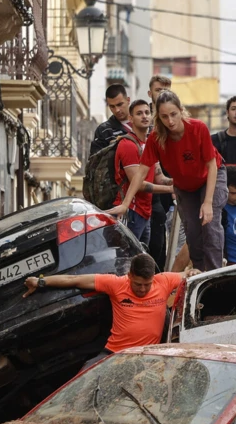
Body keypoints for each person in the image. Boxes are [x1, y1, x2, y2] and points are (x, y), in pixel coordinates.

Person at [23, 253, 199, 362]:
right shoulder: (116, 284)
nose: (142, 289)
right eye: (138, 284)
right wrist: (40, 282)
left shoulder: (163, 281)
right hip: (114, 354)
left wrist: (193, 272)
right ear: (129, 275)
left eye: (147, 284)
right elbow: (74, 280)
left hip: (147, 356)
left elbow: (189, 274)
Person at [131, 90, 228, 271]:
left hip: (210, 176)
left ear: (181, 110)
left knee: (209, 224)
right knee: (192, 232)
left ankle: (215, 272)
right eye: (164, 116)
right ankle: (200, 272)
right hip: (185, 186)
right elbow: (140, 172)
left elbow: (212, 165)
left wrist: (207, 202)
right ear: (158, 118)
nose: (170, 121)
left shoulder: (198, 128)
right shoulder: (156, 138)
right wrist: (125, 204)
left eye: (173, 114)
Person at [106, 99, 164, 246]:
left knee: (141, 257)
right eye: (139, 113)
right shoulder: (128, 145)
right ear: (131, 119)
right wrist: (171, 189)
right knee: (126, 255)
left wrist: (180, 182)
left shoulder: (150, 144)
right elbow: (138, 184)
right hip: (130, 212)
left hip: (145, 212)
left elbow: (160, 178)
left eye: (147, 112)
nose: (144, 116)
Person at [147, 75, 174, 270]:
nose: (163, 94)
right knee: (152, 244)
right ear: (150, 93)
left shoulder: (175, 119)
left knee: (169, 243)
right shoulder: (143, 116)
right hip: (148, 191)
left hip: (170, 188)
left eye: (167, 90)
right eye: (158, 90)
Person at [89, 84, 134, 159]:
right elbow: (94, 161)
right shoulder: (103, 130)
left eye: (119, 104)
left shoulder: (142, 122)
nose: (117, 110)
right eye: (112, 106)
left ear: (128, 100)